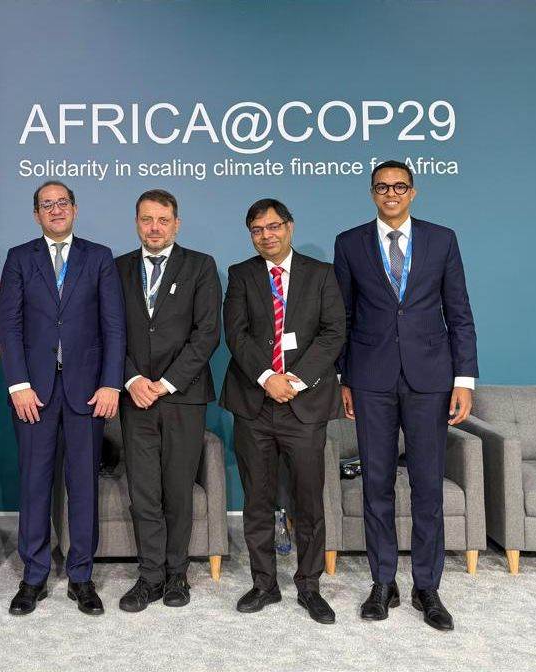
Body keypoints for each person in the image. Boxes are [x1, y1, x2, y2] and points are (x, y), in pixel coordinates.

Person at [334, 160, 477, 631]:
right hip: (370, 379)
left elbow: (459, 312)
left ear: (413, 192)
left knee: (427, 485)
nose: (391, 193)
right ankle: (383, 583)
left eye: (399, 186)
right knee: (375, 484)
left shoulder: (442, 239)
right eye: (382, 187)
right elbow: (344, 317)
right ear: (372, 193)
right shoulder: (349, 242)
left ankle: (426, 587)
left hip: (430, 379)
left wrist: (464, 379)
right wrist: (344, 378)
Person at [0, 181, 125, 616]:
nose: (55, 210)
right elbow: (9, 325)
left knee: (83, 486)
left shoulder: (99, 257)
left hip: (88, 392)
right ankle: (33, 576)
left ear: (74, 208)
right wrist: (17, 384)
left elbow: (114, 326)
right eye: (46, 205)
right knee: (34, 485)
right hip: (33, 393)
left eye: (62, 203)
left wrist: (111, 383)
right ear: (36, 214)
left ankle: (81, 577)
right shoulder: (19, 258)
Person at [221, 198, 346, 624]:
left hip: (304, 404)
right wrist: (266, 377)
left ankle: (309, 586)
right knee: (257, 499)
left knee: (308, 501)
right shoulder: (241, 275)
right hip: (254, 404)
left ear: (289, 227)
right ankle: (264, 584)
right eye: (257, 230)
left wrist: (294, 379)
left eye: (273, 226)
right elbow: (236, 334)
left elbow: (333, 333)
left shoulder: (321, 274)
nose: (266, 235)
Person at [112, 189, 220, 612]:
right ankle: (150, 576)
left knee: (177, 490)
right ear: (136, 223)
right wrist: (132, 378)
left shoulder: (200, 266)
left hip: (183, 396)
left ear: (177, 223)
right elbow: (109, 332)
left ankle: (177, 574)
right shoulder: (117, 268)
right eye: (146, 219)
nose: (154, 228)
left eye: (162, 220)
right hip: (135, 397)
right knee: (144, 492)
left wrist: (167, 382)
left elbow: (207, 334)